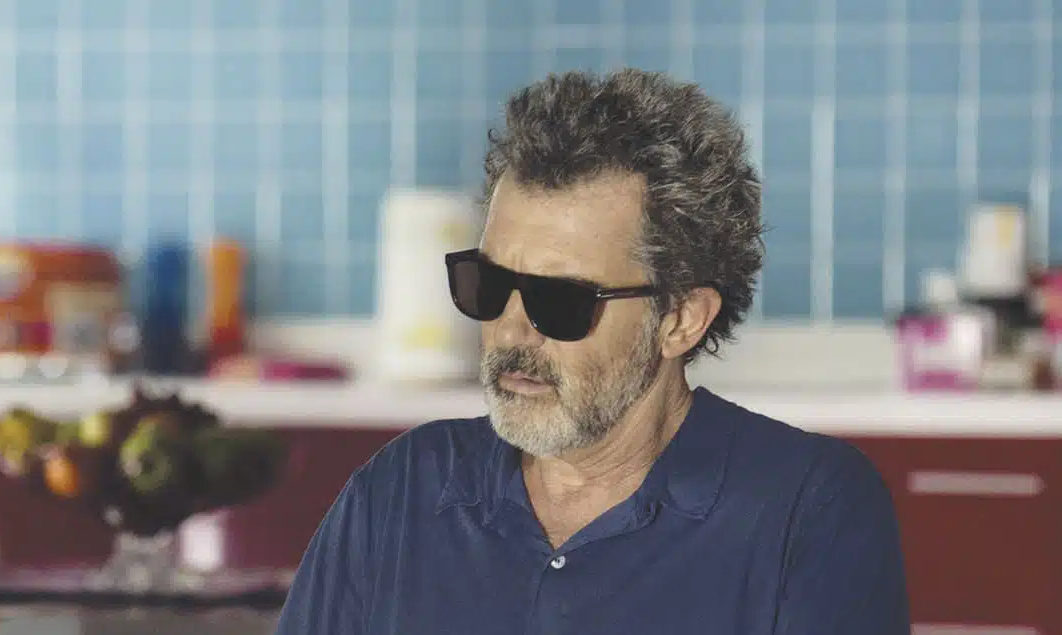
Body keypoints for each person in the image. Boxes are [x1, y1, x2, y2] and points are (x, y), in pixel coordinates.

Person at [275, 70, 908, 634]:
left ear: (681, 319)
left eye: (560, 300)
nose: (511, 331)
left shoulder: (808, 511)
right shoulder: (401, 489)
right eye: (490, 284)